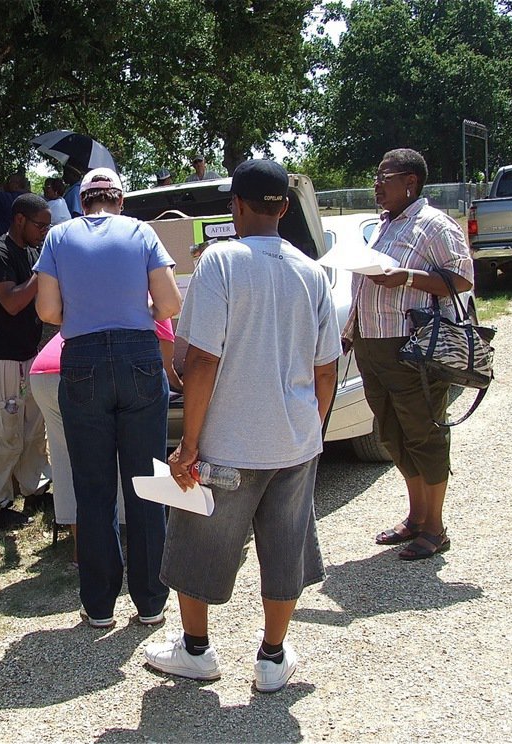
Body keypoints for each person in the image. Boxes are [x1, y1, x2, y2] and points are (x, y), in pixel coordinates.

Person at [144, 159, 340, 693]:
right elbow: (326, 367)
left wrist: (189, 444)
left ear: (235, 206)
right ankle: (273, 658)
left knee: (197, 539)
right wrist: (313, 431)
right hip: (295, 441)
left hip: (229, 442)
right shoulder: (311, 271)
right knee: (286, 547)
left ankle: (196, 650)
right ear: (284, 207)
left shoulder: (221, 263)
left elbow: (203, 361)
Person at [35, 167, 182, 629]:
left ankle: (99, 605)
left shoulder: (58, 238)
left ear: (82, 201)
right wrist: (141, 312)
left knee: (93, 487)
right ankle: (151, 601)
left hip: (81, 359)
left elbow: (48, 310)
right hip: (139, 352)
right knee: (147, 483)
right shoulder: (142, 232)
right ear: (119, 200)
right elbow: (171, 304)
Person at [344, 147, 473, 561]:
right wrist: (351, 332)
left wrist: (408, 277)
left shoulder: (434, 225)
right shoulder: (387, 224)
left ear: (410, 182)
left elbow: (463, 278)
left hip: (411, 347)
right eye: (377, 177)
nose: (377, 185)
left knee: (424, 434)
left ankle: (435, 527)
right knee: (392, 434)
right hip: (372, 343)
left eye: (385, 177)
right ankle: (416, 517)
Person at [29, 320, 182, 562]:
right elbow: (164, 367)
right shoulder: (153, 300)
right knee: (121, 458)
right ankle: (131, 551)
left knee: (71, 463)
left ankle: (83, 550)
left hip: (45, 372)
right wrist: (182, 387)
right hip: (84, 373)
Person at [0, 193, 53, 531]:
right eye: (39, 225)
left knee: (33, 428)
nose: (43, 232)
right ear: (19, 219)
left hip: (28, 354)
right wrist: (42, 270)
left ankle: (35, 489)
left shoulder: (34, 251)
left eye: (48, 227)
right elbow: (12, 303)